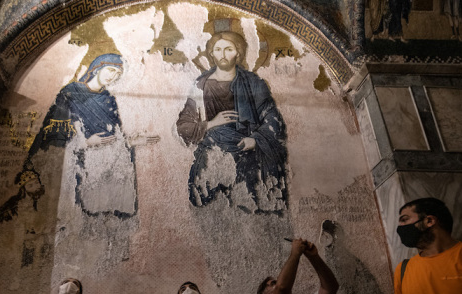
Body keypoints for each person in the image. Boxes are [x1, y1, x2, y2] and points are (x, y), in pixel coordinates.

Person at [26, 53, 158, 217]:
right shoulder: (70, 93)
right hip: (83, 168)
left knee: (112, 218)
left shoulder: (108, 99)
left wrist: (130, 141)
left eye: (117, 74)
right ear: (97, 68)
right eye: (110, 70)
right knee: (87, 216)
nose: (112, 76)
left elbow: (113, 137)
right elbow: (54, 134)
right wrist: (85, 142)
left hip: (111, 168)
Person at [176, 31, 287, 213]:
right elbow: (183, 127)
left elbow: (273, 119)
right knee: (210, 211)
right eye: (218, 49)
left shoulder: (253, 83)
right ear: (211, 54)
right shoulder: (201, 85)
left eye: (229, 49)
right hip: (213, 154)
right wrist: (211, 123)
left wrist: (256, 140)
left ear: (238, 53)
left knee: (250, 208)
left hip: (246, 152)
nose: (223, 54)